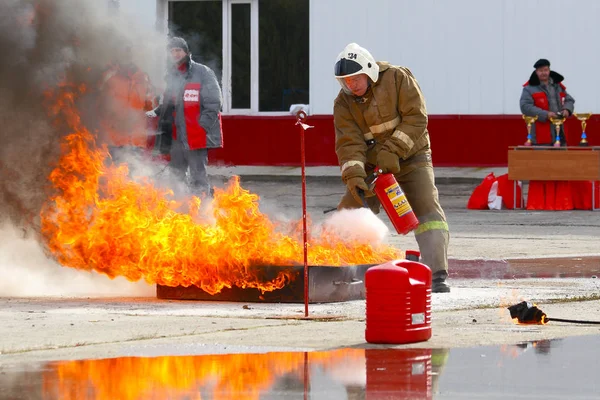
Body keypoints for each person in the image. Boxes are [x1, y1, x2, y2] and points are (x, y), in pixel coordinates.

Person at [332, 43, 450, 293]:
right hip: (374, 167)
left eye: (355, 79)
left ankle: (436, 274)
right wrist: (354, 176)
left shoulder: (397, 78)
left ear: (369, 71)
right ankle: (338, 271)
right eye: (345, 81)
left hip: (412, 158)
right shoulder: (343, 103)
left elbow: (416, 118)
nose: (350, 86)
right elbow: (349, 143)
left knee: (427, 212)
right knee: (349, 213)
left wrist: (393, 150)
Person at [147, 37, 223, 197]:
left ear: (187, 52)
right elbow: (170, 101)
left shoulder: (203, 73)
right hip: (177, 137)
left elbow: (214, 103)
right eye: (172, 51)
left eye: (178, 50)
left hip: (196, 136)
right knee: (176, 176)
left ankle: (204, 210)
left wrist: (202, 126)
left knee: (198, 177)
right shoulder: (172, 76)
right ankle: (181, 210)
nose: (175, 54)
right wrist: (158, 111)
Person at [96, 44, 157, 164]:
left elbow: (151, 108)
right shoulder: (109, 77)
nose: (127, 57)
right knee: (110, 177)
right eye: (124, 53)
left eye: (129, 54)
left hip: (136, 141)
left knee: (133, 180)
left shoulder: (143, 79)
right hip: (113, 140)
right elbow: (97, 104)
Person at [520, 58, 575, 145]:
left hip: (560, 133)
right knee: (542, 158)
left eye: (545, 70)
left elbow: (569, 99)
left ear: (549, 70)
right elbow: (525, 107)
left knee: (562, 158)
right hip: (541, 135)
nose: (543, 73)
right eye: (540, 70)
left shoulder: (557, 86)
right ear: (536, 72)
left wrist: (567, 109)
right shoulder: (529, 89)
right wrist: (546, 114)